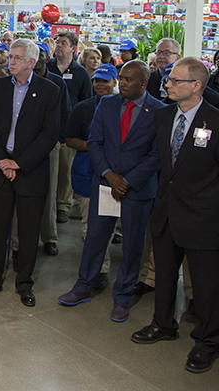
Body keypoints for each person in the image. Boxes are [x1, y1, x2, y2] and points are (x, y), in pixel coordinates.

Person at [58, 60, 164, 324]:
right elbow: (94, 142)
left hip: (136, 190)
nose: (123, 83)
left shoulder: (160, 111)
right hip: (105, 185)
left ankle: (123, 296)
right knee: (94, 237)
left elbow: (157, 155)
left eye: (129, 79)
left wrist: (127, 181)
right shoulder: (106, 105)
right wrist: (109, 175)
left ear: (143, 82)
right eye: (122, 78)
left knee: (131, 245)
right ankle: (83, 286)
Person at [132, 57, 219, 375]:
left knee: (206, 285)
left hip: (203, 218)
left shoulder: (215, 121)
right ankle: (163, 324)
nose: (166, 84)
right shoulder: (163, 116)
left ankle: (208, 341)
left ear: (196, 86)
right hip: (166, 212)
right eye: (168, 79)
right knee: (165, 276)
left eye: (175, 80)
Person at [0, 39, 60, 307]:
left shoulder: (50, 91)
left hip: (29, 170)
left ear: (31, 63)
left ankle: (24, 283)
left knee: (28, 231)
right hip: (0, 168)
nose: (9, 61)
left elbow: (49, 135)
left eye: (16, 58)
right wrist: (2, 160)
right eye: (10, 56)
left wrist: (19, 163)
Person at [65, 64, 119, 282]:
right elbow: (70, 139)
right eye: (97, 80)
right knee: (90, 226)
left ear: (115, 82)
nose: (100, 84)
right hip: (87, 174)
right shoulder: (82, 108)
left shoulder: (122, 108)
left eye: (105, 81)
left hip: (116, 177)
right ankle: (99, 269)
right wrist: (95, 146)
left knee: (109, 225)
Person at [48, 31, 93, 224]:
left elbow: (87, 101)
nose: (59, 45)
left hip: (69, 129)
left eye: (64, 43)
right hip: (49, 128)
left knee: (65, 170)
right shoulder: (47, 67)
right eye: (57, 42)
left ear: (73, 49)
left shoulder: (80, 72)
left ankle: (63, 205)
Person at [32, 42, 72, 258]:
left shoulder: (56, 82)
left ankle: (49, 237)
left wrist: (58, 139)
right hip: (24, 145)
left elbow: (64, 111)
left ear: (47, 58)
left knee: (50, 189)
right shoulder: (20, 81)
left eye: (41, 55)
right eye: (34, 55)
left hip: (50, 144)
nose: (37, 59)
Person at [147, 37, 182, 102]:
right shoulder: (148, 79)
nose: (161, 56)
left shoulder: (183, 81)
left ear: (177, 57)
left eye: (167, 53)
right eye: (159, 52)